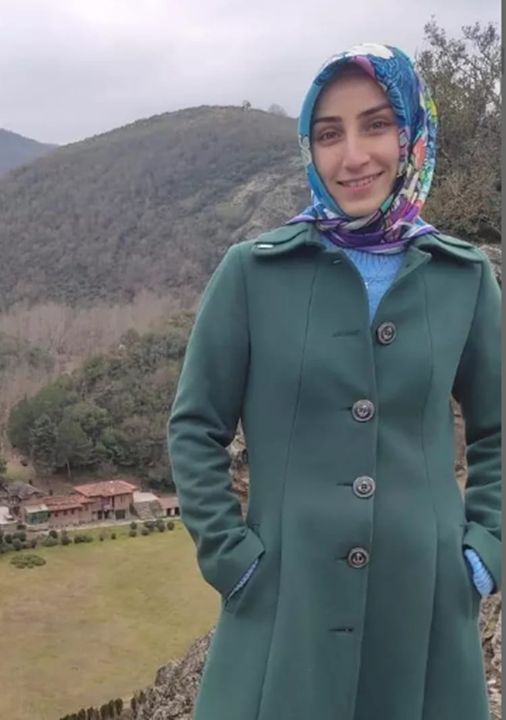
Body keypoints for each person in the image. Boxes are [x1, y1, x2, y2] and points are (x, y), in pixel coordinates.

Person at [167, 43, 501, 720]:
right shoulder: (251, 273)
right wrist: (233, 559)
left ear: (410, 134)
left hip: (428, 609)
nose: (352, 156)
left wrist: (483, 553)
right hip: (282, 604)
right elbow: (195, 427)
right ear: (309, 148)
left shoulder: (465, 278)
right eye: (328, 134)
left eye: (376, 125)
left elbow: (497, 430)